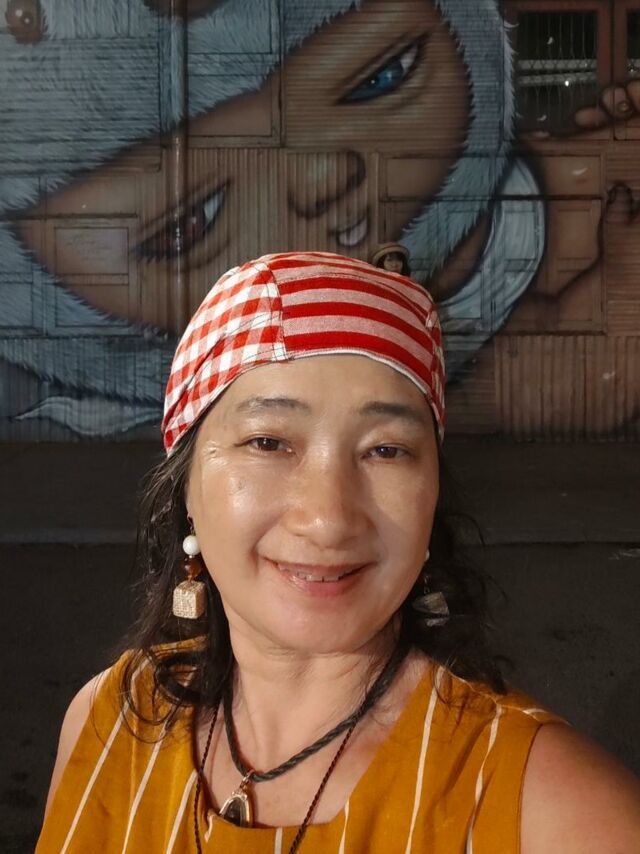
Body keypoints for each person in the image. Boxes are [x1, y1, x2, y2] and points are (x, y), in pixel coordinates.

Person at [37, 252, 640, 853]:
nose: (328, 520)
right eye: (268, 442)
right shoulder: (107, 724)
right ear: (186, 487)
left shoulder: (560, 813)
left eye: (385, 450)